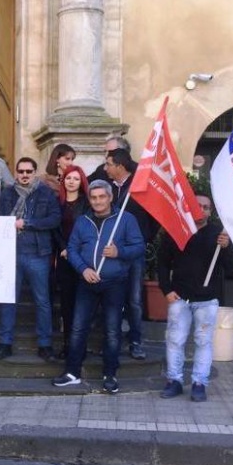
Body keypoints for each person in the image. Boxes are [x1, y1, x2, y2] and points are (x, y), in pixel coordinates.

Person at [52, 180, 144, 394]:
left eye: (102, 197)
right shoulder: (83, 221)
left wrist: (119, 252)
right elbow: (72, 249)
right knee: (77, 327)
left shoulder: (125, 219)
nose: (98, 201)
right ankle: (72, 372)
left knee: (112, 330)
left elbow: (138, 246)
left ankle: (110, 374)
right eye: (94, 198)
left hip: (115, 283)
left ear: (110, 197)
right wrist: (83, 269)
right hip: (86, 282)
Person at [157, 195, 233, 403]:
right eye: (197, 206)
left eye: (205, 207)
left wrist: (226, 248)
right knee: (174, 340)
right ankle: (174, 381)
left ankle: (199, 384)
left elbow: (232, 267)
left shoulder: (219, 234)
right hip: (179, 298)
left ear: (210, 211)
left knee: (204, 342)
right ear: (189, 207)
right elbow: (162, 262)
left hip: (207, 300)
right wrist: (166, 289)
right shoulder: (177, 229)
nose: (201, 210)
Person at [0, 158, 61, 361]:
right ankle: (5, 343)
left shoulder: (46, 193)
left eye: (28, 171)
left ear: (34, 172)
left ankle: (45, 344)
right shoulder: (7, 193)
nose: (24, 175)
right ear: (16, 172)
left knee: (42, 301)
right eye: (21, 171)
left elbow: (54, 219)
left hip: (38, 254)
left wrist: (28, 223)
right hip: (11, 253)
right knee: (8, 300)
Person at [104, 147, 158, 360]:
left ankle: (136, 341)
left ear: (119, 165)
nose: (105, 168)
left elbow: (154, 219)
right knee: (110, 298)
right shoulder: (106, 186)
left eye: (108, 164)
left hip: (134, 253)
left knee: (134, 299)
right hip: (109, 253)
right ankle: (111, 339)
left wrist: (144, 239)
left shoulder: (140, 187)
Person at [52, 165, 90, 358]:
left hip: (83, 259)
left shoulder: (88, 203)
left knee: (81, 305)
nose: (72, 181)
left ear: (81, 181)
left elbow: (89, 231)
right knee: (66, 306)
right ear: (63, 180)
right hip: (65, 258)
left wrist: (75, 249)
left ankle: (80, 347)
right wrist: (63, 248)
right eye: (68, 178)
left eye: (76, 178)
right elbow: (54, 228)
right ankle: (68, 346)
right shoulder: (56, 202)